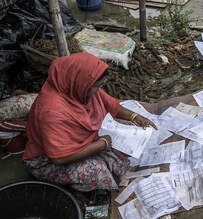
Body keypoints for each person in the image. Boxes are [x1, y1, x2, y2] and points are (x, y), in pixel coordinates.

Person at [22, 52, 157, 194]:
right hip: (46, 161)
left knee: (123, 151)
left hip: (83, 144)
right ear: (79, 82)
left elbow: (111, 104)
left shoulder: (79, 89)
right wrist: (101, 145)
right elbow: (58, 159)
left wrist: (134, 116)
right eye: (96, 86)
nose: (97, 91)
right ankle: (71, 189)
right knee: (96, 171)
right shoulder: (51, 111)